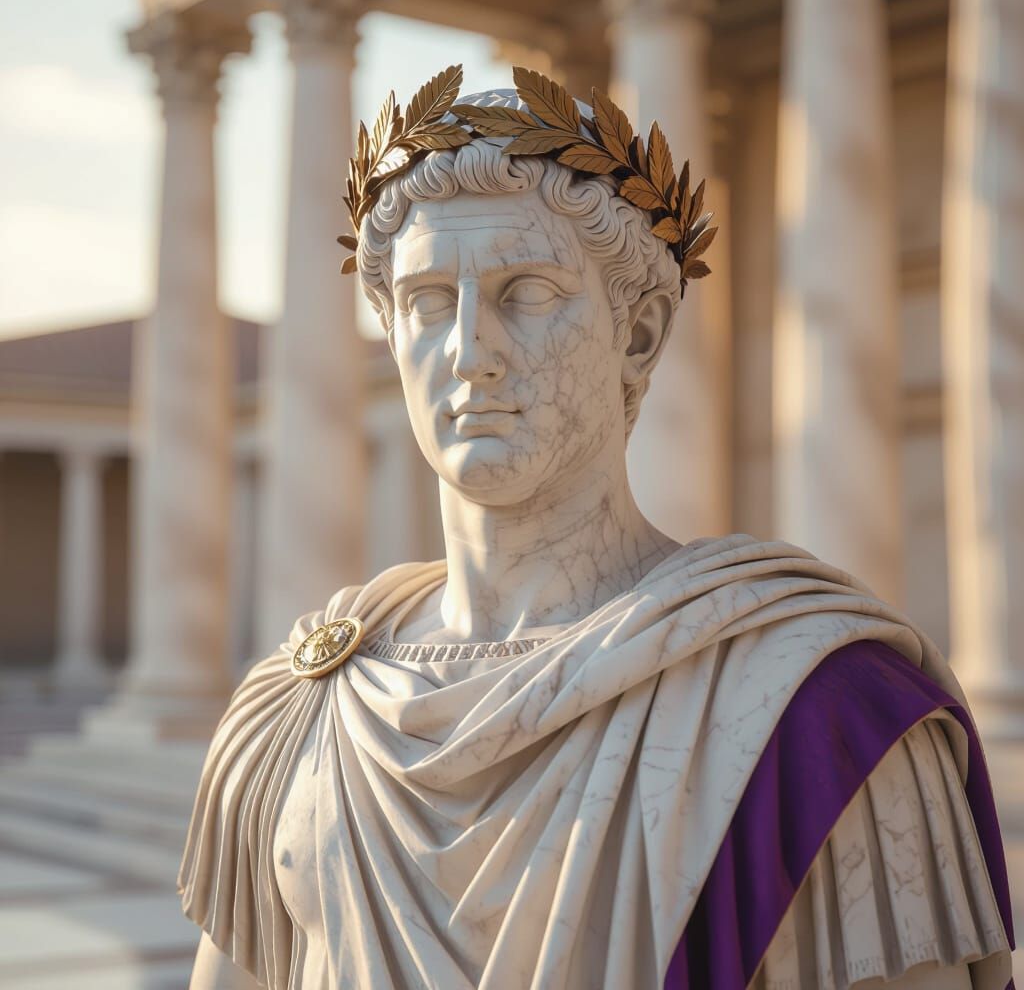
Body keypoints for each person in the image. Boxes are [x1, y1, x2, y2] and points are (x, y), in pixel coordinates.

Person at [181, 66, 1015, 989]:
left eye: (527, 292)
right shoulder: (296, 713)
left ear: (640, 333)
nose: (468, 351)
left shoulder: (824, 718)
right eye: (426, 301)